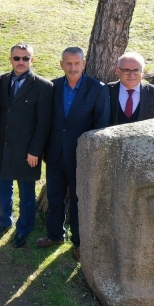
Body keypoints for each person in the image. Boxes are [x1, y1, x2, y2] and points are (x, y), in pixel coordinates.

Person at [37, 47, 110, 261]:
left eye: (77, 63)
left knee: (79, 202)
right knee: (54, 196)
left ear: (84, 64)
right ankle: (55, 235)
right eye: (68, 63)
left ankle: (79, 243)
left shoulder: (97, 89)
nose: (73, 67)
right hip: (54, 154)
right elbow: (46, 120)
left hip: (81, 157)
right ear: (62, 64)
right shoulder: (53, 86)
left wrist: (93, 156)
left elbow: (101, 126)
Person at [0, 43, 53, 248]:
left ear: (31, 60)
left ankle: (24, 229)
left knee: (26, 194)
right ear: (10, 59)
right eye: (16, 58)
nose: (21, 62)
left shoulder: (43, 86)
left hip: (27, 151)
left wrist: (35, 151)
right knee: (2, 189)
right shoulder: (3, 81)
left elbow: (43, 124)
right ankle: (4, 222)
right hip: (3, 147)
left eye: (25, 58)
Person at [108, 52, 154, 125]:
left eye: (136, 70)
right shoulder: (107, 91)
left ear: (143, 71)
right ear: (117, 71)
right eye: (126, 70)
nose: (131, 75)